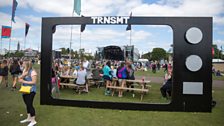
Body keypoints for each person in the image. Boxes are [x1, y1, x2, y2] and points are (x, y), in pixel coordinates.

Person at [18, 60, 37, 126]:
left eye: (23, 63)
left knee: (30, 105)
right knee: (27, 105)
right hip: (24, 90)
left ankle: (33, 120)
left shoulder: (33, 72)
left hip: (31, 91)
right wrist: (24, 75)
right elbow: (19, 78)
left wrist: (24, 81)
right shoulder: (24, 71)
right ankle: (29, 118)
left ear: (27, 65)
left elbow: (34, 82)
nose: (22, 64)